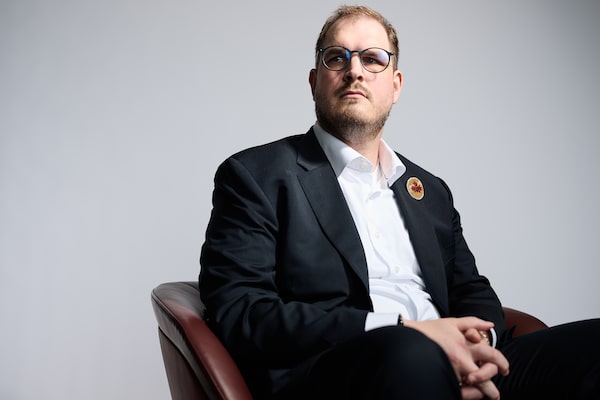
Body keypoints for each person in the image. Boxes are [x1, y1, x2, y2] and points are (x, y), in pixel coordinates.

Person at [199, 5, 599, 399]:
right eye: (337, 57)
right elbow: (242, 310)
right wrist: (405, 329)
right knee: (411, 353)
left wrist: (475, 348)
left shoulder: (430, 191)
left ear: (396, 86)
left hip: (451, 360)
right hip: (344, 371)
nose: (355, 70)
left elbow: (471, 289)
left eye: (373, 59)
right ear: (314, 81)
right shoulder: (256, 175)